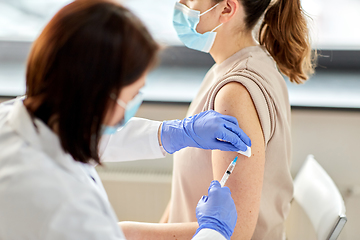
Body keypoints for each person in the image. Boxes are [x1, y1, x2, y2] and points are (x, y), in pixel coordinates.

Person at [0, 0, 250, 239]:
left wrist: (171, 133)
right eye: (133, 94)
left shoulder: (16, 120)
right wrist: (214, 232)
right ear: (99, 97)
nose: (135, 101)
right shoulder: (67, 210)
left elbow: (82, 135)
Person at [155, 0, 315, 239]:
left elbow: (235, 232)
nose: (180, 3)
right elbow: (185, 193)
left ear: (226, 9)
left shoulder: (235, 93)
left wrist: (125, 232)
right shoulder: (237, 65)